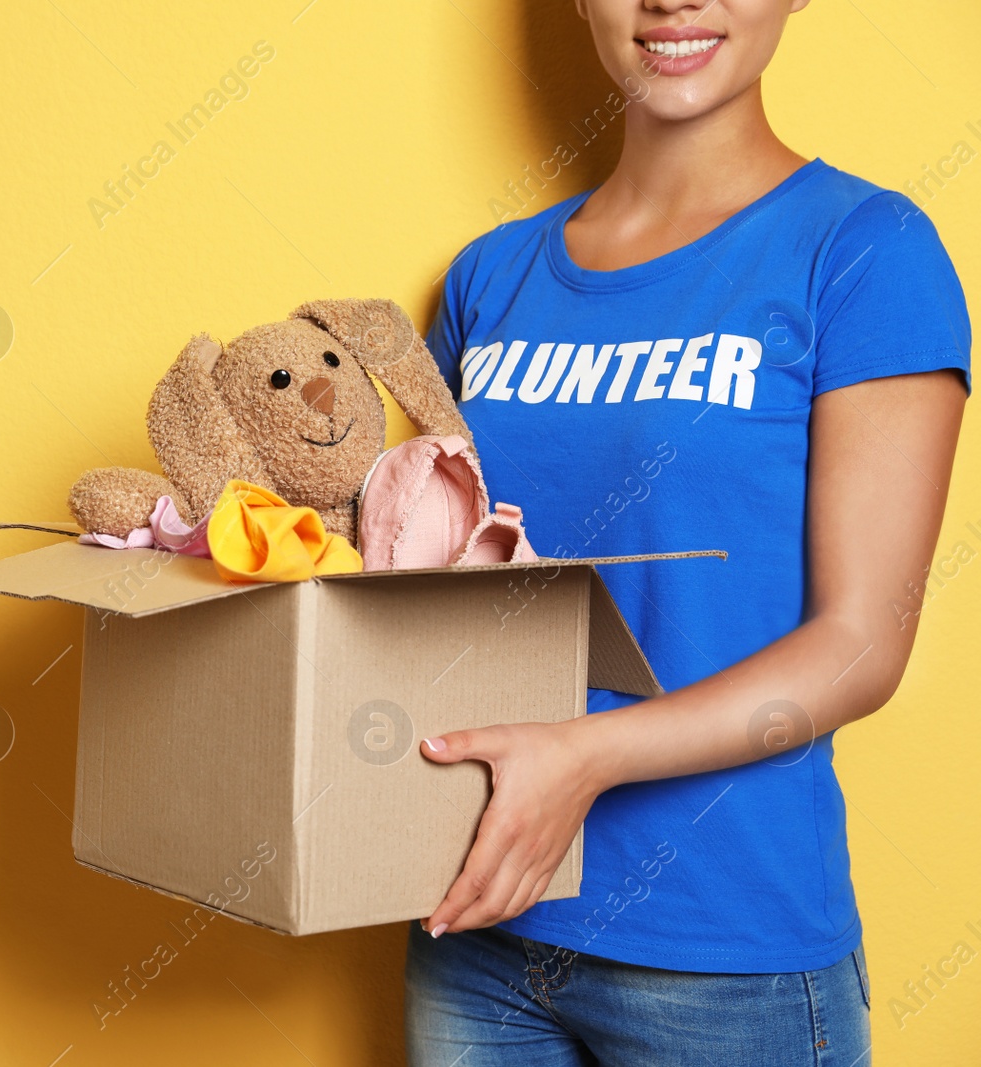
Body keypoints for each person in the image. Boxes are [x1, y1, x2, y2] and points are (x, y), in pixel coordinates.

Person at [407, 0, 969, 1063]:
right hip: (471, 919)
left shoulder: (863, 251)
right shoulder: (491, 276)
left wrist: (584, 757)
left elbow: (861, 640)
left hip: (724, 957)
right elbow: (422, 588)